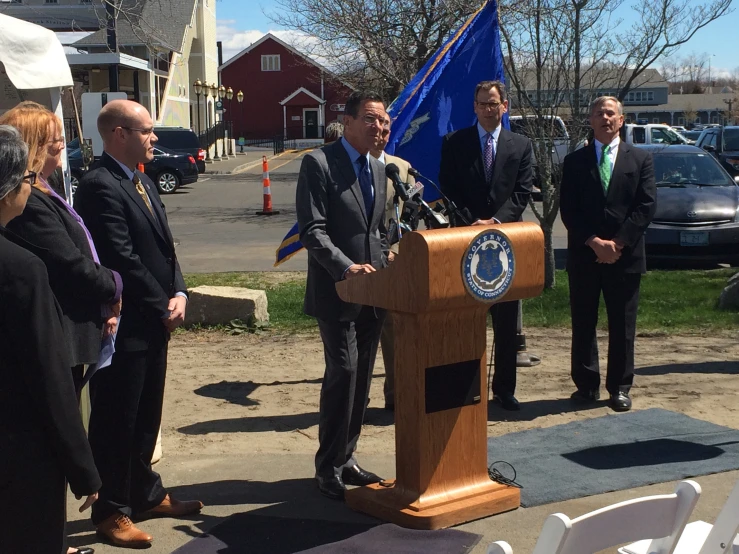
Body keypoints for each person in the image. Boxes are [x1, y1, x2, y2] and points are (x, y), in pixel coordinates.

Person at [74, 100, 202, 548]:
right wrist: (159, 304)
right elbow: (119, 258)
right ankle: (112, 510)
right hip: (125, 325)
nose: (154, 140)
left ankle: (144, 492)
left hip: (154, 320)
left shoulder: (143, 181)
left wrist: (180, 292)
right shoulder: (99, 185)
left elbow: (165, 250)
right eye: (147, 131)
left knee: (147, 414)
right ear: (119, 135)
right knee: (117, 419)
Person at [0, 124, 101, 554]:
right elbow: (49, 376)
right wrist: (84, 469)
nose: (32, 185)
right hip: (19, 453)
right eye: (26, 178)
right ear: (7, 190)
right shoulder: (20, 269)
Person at [296, 90, 388, 501]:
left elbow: (378, 231)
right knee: (345, 372)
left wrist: (391, 257)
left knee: (363, 377)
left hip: (375, 292)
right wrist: (345, 266)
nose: (379, 127)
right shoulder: (318, 163)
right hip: (337, 290)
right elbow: (312, 230)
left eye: (383, 121)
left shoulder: (379, 169)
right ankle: (327, 465)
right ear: (347, 121)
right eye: (370, 119)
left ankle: (347, 457)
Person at [1, 101, 122, 397]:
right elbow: (69, 263)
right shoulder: (26, 202)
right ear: (33, 147)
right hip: (57, 337)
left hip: (71, 332)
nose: (61, 146)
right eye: (53, 140)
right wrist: (114, 285)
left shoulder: (43, 188)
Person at [439, 80, 535, 411]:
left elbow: (522, 192)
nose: (488, 109)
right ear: (475, 108)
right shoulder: (455, 143)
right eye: (482, 104)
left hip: (504, 244)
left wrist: (494, 223)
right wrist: (471, 223)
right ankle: (467, 389)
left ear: (504, 106)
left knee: (506, 325)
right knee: (467, 322)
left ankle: (504, 389)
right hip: (465, 242)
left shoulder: (520, 145)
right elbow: (448, 190)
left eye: (493, 104)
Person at [559, 96, 656, 413]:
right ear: (590, 120)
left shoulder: (640, 160)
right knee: (583, 323)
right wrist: (593, 242)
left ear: (621, 120)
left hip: (624, 258)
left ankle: (620, 387)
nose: (605, 118)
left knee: (622, 325)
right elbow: (569, 210)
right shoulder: (575, 162)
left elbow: (645, 206)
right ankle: (586, 386)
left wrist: (617, 243)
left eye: (611, 113)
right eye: (599, 113)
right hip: (585, 255)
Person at [370, 111, 415, 412]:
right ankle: (356, 400)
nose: (383, 132)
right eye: (378, 127)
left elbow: (408, 217)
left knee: (393, 331)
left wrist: (397, 250)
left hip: (392, 261)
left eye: (387, 128)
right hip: (359, 263)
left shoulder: (400, 168)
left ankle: (396, 395)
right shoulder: (351, 167)